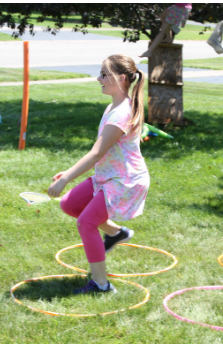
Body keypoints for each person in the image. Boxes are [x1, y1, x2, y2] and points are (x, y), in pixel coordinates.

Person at [47, 54, 150, 294]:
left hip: (125, 180)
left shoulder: (121, 113)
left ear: (121, 78)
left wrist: (65, 178)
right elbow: (102, 153)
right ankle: (116, 233)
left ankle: (101, 285)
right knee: (70, 204)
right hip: (109, 174)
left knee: (86, 222)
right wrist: (69, 173)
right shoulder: (112, 106)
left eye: (104, 75)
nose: (98, 79)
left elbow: (96, 153)